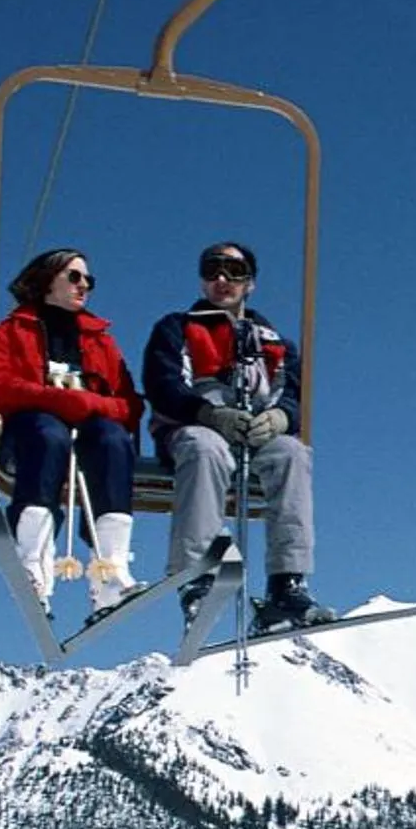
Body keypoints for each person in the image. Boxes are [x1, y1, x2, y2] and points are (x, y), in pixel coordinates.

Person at [142, 241, 334, 633]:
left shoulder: (272, 341)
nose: (222, 279)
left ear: (251, 283)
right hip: (193, 427)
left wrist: (280, 417)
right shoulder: (178, 328)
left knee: (293, 455)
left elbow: (292, 392)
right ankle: (196, 574)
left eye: (235, 271)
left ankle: (288, 582)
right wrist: (209, 413)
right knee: (205, 447)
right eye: (212, 270)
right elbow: (163, 384)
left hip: (255, 432)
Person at [0, 247, 144, 617]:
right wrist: (59, 401)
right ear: (47, 281)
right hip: (30, 432)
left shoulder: (100, 341)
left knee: (112, 439)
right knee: (49, 435)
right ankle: (34, 562)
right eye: (74, 277)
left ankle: (109, 570)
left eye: (88, 280)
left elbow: (129, 404)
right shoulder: (12, 332)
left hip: (90, 436)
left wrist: (91, 406)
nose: (84, 286)